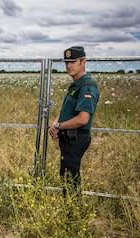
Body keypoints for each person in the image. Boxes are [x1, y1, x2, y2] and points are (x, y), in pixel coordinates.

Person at [49, 46, 100, 198]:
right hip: (68, 136)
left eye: (73, 61)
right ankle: (70, 211)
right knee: (66, 175)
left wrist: (59, 125)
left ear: (83, 62)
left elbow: (82, 119)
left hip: (76, 137)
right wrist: (56, 122)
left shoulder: (87, 85)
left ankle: (72, 216)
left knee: (70, 178)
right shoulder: (76, 84)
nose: (69, 65)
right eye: (66, 62)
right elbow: (67, 108)